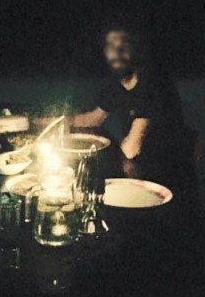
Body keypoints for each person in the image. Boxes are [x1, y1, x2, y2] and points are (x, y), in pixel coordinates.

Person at [38, 23, 196, 202]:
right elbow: (94, 118)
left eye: (124, 46)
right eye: (111, 47)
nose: (117, 53)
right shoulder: (116, 84)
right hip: (138, 168)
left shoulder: (153, 83)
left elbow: (131, 149)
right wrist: (56, 121)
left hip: (170, 173)